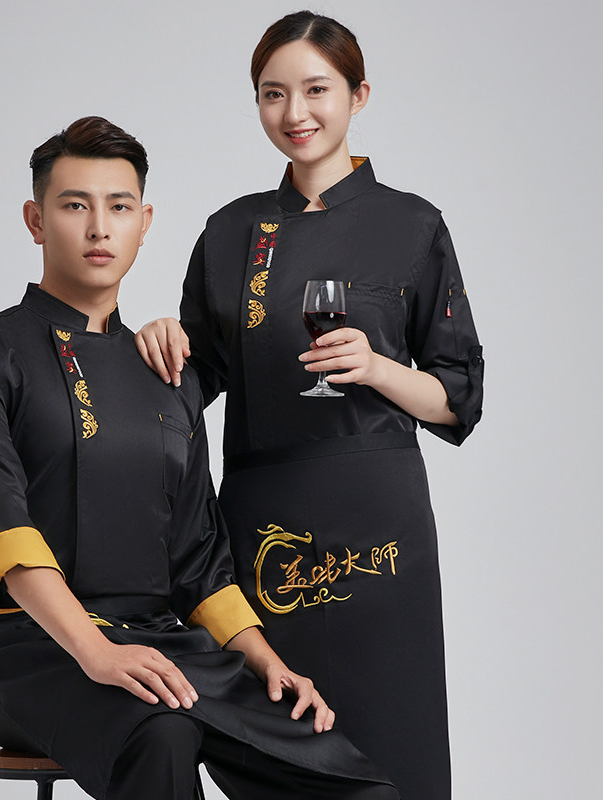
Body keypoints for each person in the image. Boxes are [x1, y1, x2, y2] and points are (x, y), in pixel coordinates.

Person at [0, 116, 399, 800]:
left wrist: (266, 662)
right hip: (31, 651)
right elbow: (1, 526)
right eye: (74, 206)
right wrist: (96, 652)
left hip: (165, 646)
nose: (99, 228)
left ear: (144, 223)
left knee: (353, 783)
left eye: (119, 207)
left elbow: (198, 558)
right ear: (36, 220)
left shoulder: (168, 373)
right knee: (163, 731)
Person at [135, 11, 484, 800]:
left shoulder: (412, 224)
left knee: (393, 751)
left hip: (379, 528)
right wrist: (160, 339)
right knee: (279, 750)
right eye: (273, 93)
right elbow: (194, 379)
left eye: (316, 90)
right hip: (265, 532)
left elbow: (458, 396)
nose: (295, 112)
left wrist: (378, 368)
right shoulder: (231, 232)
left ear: (359, 95)